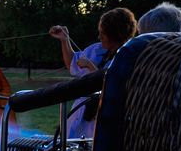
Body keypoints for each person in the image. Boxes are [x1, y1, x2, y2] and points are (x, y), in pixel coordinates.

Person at [49, 8, 137, 138]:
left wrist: (90, 66)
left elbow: (110, 86)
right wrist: (64, 40)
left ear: (115, 35)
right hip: (78, 119)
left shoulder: (127, 58)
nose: (99, 36)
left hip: (100, 125)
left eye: (103, 33)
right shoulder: (97, 49)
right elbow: (72, 63)